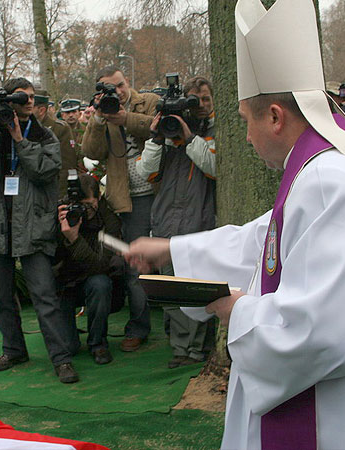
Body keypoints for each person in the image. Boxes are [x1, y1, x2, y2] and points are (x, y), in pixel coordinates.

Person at [126, 0, 345, 448]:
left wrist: (238, 313)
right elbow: (266, 242)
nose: (248, 138)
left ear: (274, 117)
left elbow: (332, 331)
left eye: (246, 122)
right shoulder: (331, 167)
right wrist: (173, 250)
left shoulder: (328, 181)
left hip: (332, 414)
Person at [0, 77, 79, 384]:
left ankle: (61, 359)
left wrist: (20, 140)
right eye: (22, 97)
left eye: (32, 98)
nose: (28, 102)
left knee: (44, 296)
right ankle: (13, 349)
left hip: (33, 225)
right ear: (9, 101)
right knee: (4, 298)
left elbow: (46, 170)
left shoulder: (44, 135)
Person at [136, 76, 217, 369]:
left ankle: (195, 350)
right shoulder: (167, 134)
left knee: (195, 286)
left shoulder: (214, 131)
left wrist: (190, 138)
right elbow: (146, 171)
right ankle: (181, 347)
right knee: (171, 286)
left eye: (205, 100)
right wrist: (158, 137)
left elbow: (214, 167)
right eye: (194, 100)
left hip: (199, 220)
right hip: (166, 219)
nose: (199, 106)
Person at [82, 66, 159, 352]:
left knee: (170, 263)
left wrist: (126, 118)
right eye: (111, 89)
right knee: (135, 267)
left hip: (160, 192)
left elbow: (158, 125)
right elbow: (91, 152)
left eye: (122, 85)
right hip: (127, 200)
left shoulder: (147, 101)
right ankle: (138, 327)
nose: (120, 92)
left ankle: (179, 328)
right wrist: (99, 119)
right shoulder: (102, 112)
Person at [56, 173, 122, 365]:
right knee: (69, 348)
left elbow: (101, 266)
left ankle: (98, 343)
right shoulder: (60, 214)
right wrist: (57, 227)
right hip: (63, 284)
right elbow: (50, 261)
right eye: (79, 206)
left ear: (99, 197)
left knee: (100, 284)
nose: (83, 211)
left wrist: (74, 240)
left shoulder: (108, 220)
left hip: (93, 280)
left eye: (88, 204)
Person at [34, 92, 79, 197]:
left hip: (50, 192)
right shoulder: (21, 127)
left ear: (41, 110)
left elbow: (67, 166)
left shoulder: (59, 129)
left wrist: (61, 196)